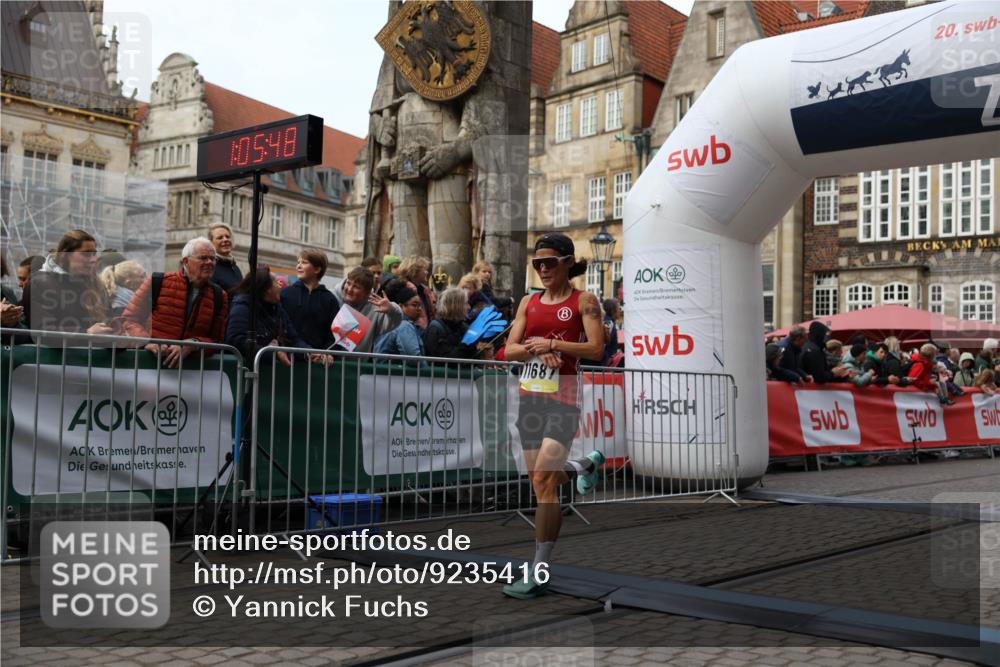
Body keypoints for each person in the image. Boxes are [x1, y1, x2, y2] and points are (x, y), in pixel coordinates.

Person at [501, 233, 606, 600]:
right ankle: (582, 468)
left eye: (549, 263)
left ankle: (539, 570)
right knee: (541, 482)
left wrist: (554, 344)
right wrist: (533, 349)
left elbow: (596, 348)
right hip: (531, 402)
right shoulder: (529, 302)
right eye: (537, 264)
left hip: (563, 399)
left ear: (567, 263)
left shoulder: (585, 301)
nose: (543, 270)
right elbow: (507, 350)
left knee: (545, 481)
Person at [122, 236, 229, 368]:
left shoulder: (219, 296)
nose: (210, 262)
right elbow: (129, 320)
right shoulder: (157, 282)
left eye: (213, 259)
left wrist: (192, 345)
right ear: (186, 261)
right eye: (203, 258)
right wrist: (146, 342)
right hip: (148, 367)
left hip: (191, 376)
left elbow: (217, 340)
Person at [22, 229, 114, 335]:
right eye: (86, 254)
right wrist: (86, 333)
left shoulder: (97, 285)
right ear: (65, 255)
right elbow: (41, 330)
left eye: (94, 254)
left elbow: (108, 319)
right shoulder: (39, 283)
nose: (94, 259)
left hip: (93, 351)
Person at [226, 266, 308, 366]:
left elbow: (294, 339)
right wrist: (272, 354)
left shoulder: (278, 309)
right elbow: (237, 340)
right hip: (247, 373)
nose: (280, 286)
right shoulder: (243, 307)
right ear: (267, 288)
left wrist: (309, 353)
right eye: (276, 282)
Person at [334, 266, 401, 353]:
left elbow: (396, 321)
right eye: (348, 283)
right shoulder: (332, 298)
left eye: (356, 287)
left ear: (367, 293)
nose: (349, 289)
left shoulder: (375, 310)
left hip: (357, 364)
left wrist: (391, 309)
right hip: (326, 362)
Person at [280, 249, 338, 350]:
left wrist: (328, 353)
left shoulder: (329, 299)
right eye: (298, 262)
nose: (298, 266)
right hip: (289, 357)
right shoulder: (285, 294)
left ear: (317, 269)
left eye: (304, 262)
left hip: (318, 360)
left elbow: (334, 334)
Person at [423, 287, 478, 359]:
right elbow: (444, 359)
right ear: (456, 305)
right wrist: (465, 345)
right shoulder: (435, 328)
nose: (469, 307)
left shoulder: (463, 327)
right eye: (466, 303)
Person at [374, 280, 425, 357]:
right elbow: (415, 360)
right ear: (401, 306)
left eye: (420, 305)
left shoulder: (388, 321)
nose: (419, 309)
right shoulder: (404, 326)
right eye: (415, 305)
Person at [395, 255, 436, 328]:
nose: (427, 272)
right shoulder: (404, 290)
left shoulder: (424, 290)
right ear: (414, 271)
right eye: (424, 269)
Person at [208, 223, 243, 291]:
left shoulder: (235, 268)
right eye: (220, 238)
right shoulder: (210, 268)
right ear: (211, 243)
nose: (225, 240)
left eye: (227, 236)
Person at [602, 298, 621, 366]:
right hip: (607, 363)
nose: (620, 311)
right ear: (614, 310)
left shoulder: (609, 322)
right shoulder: (609, 323)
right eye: (619, 308)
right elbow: (603, 345)